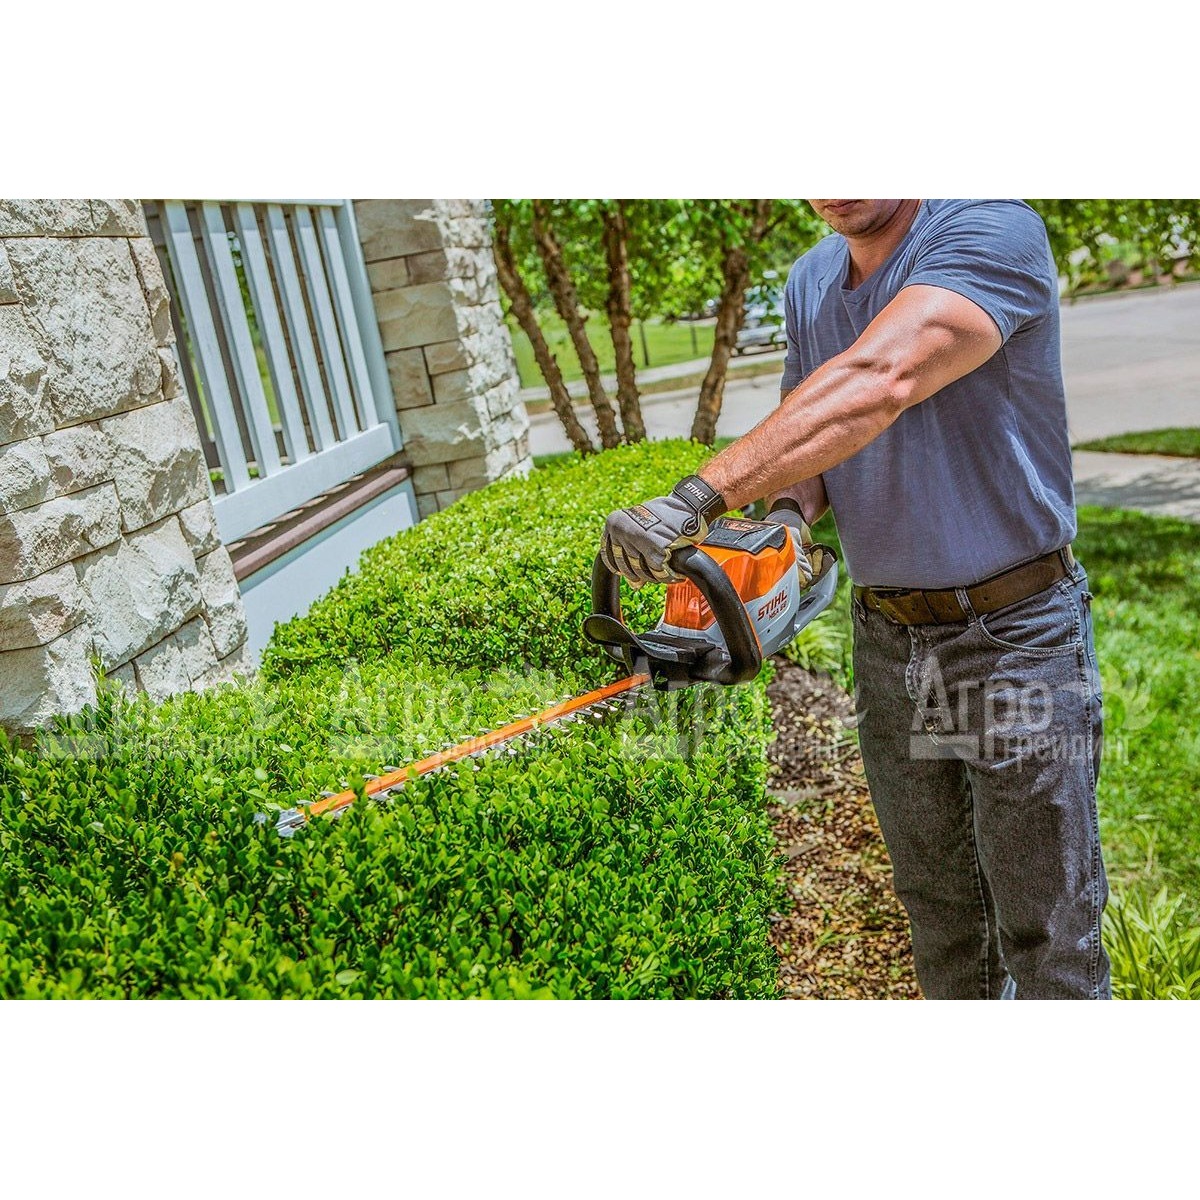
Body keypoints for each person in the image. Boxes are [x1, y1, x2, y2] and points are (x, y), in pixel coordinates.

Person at [600, 199, 1109, 1000]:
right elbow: (813, 441)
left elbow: (881, 378)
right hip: (888, 637)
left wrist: (696, 498)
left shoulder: (989, 227)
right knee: (941, 914)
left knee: (1048, 932)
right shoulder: (810, 280)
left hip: (1013, 634)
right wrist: (783, 525)